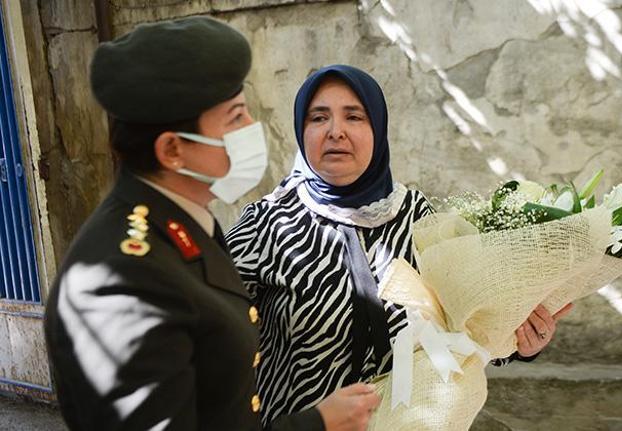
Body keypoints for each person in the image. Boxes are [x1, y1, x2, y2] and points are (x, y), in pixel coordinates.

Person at [44, 20, 378, 431]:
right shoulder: (123, 280)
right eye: (235, 117)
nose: (252, 128)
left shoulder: (185, 223)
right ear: (173, 150)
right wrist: (318, 424)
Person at [226, 64, 573, 426]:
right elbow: (209, 338)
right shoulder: (266, 225)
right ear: (301, 129)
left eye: (354, 117)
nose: (335, 132)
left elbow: (468, 325)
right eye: (318, 117)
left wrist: (523, 341)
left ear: (378, 128)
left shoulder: (417, 217)